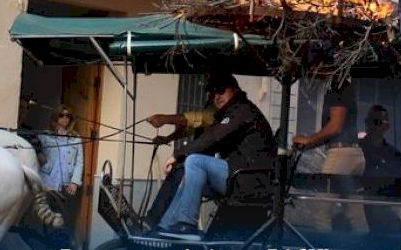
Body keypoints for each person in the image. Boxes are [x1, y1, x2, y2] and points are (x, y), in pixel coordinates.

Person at [155, 73, 275, 241]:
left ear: (235, 90)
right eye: (213, 93)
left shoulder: (242, 110)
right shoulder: (230, 113)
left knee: (194, 161)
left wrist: (177, 155)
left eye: (221, 90)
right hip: (241, 176)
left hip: (250, 180)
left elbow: (213, 137)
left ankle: (187, 224)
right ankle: (166, 227)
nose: (216, 96)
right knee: (187, 172)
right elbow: (211, 142)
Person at [294, 81, 365, 232]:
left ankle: (323, 246)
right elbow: (334, 130)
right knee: (355, 215)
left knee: (321, 212)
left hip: (341, 155)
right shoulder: (342, 87)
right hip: (351, 153)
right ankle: (363, 245)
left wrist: (309, 140)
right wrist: (309, 144)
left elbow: (335, 126)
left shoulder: (338, 87)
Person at [142, 104, 216, 230]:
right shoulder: (210, 112)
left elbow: (199, 118)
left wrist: (164, 119)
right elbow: (189, 128)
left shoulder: (223, 114)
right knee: (178, 171)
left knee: (181, 172)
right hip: (203, 172)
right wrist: (167, 138)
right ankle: (153, 222)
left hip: (217, 178)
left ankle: (158, 223)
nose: (215, 97)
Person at [38, 106, 84, 250]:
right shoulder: (45, 136)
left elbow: (79, 162)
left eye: (67, 116)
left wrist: (75, 182)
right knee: (47, 219)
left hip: (66, 184)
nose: (64, 118)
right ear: (56, 117)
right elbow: (35, 152)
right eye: (61, 115)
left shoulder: (76, 138)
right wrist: (40, 157)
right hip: (48, 183)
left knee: (63, 220)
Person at [357, 104, 401, 234]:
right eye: (373, 122)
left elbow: (399, 186)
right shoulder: (356, 148)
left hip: (383, 208)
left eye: (379, 123)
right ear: (367, 124)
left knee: (397, 228)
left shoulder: (394, 154)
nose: (375, 127)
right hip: (358, 207)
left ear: (387, 126)